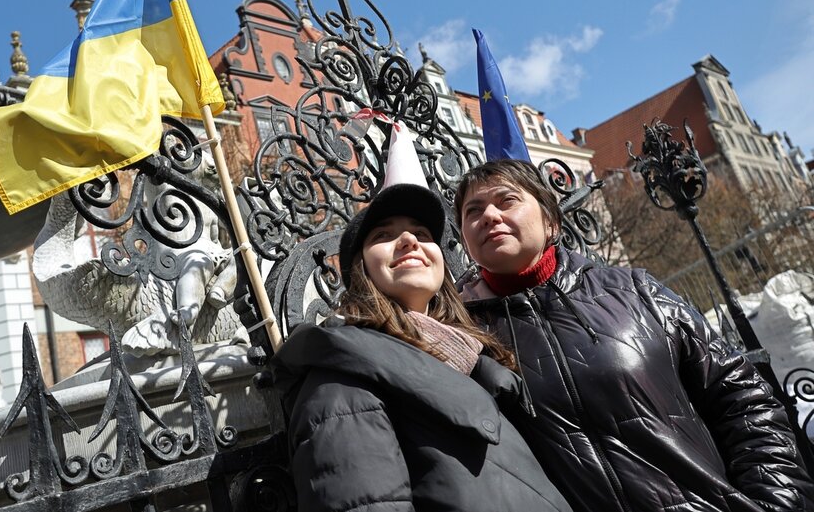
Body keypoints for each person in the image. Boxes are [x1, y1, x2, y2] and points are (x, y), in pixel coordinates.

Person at [454, 159, 814, 512]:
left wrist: (776, 499)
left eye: (507, 200)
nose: (489, 215)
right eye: (473, 211)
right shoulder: (466, 336)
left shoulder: (637, 291)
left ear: (550, 220)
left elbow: (741, 397)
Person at [271, 179, 573, 512]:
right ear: (361, 270)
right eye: (382, 236)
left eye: (423, 235)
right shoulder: (341, 379)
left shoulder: (477, 358)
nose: (409, 240)